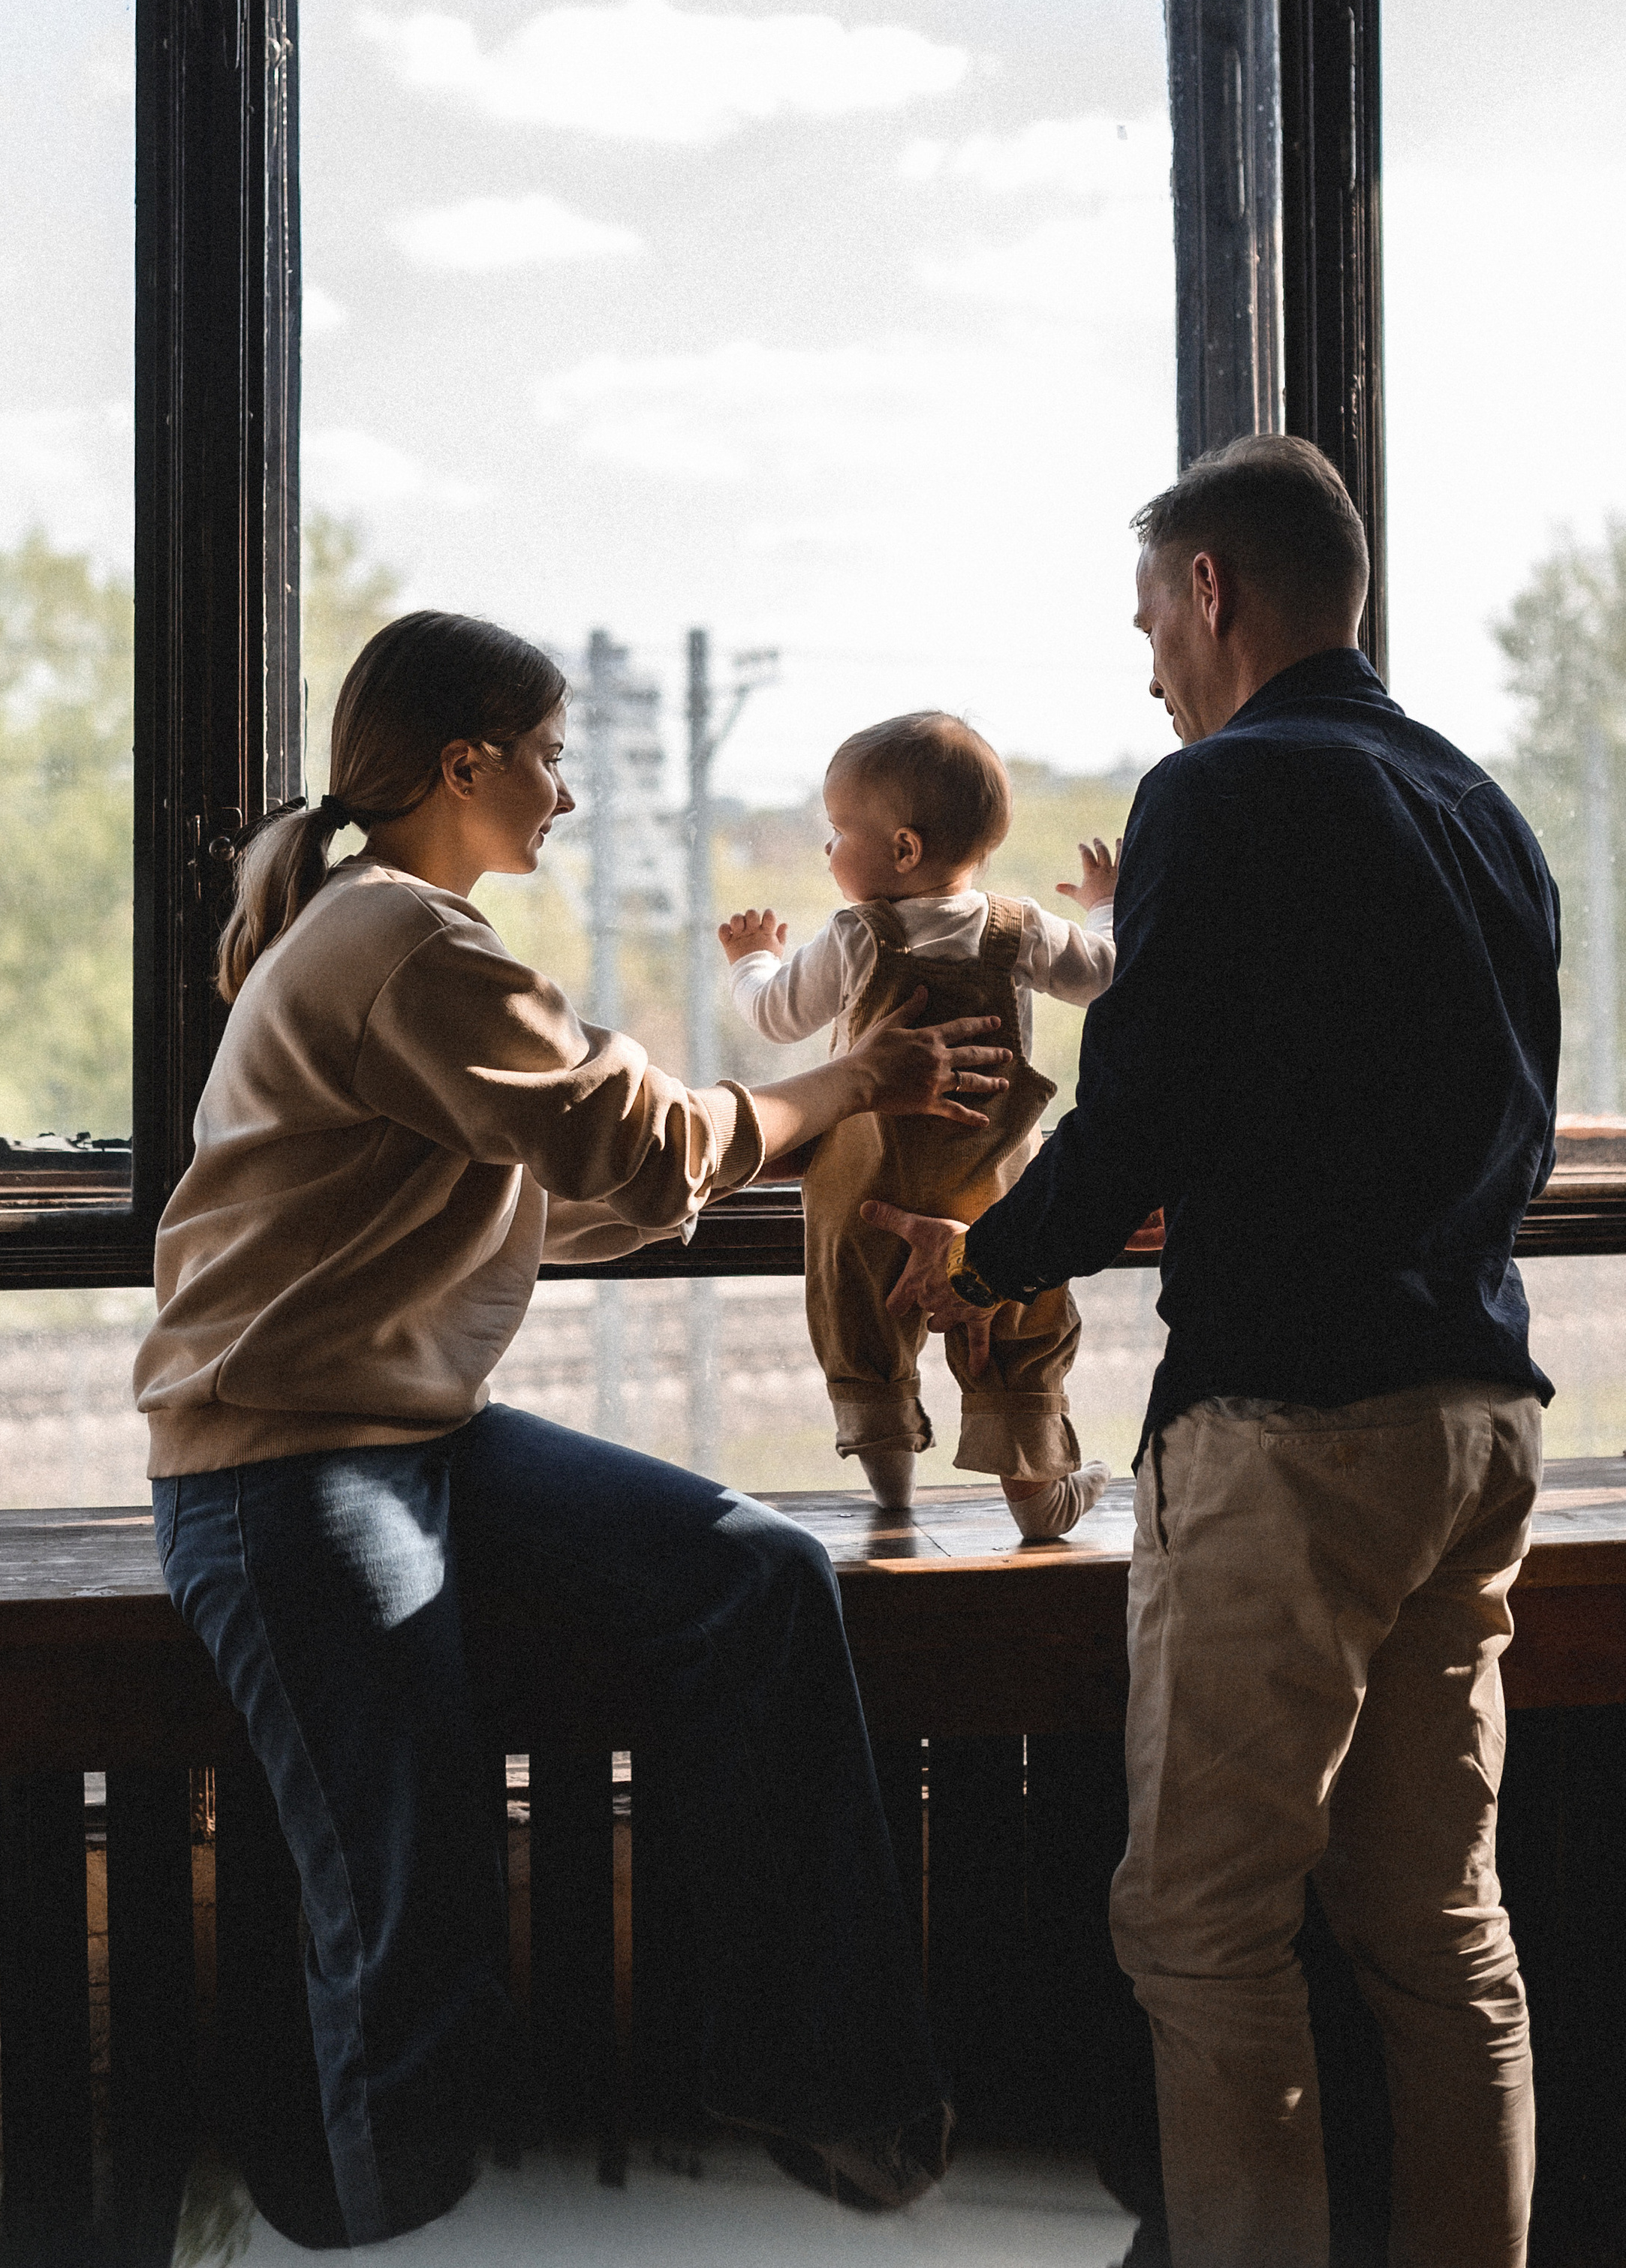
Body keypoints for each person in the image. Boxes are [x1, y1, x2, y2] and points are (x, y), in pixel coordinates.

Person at [134, 609, 1010, 2245]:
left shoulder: (394, 935)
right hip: (281, 1462)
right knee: (414, 1908)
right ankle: (405, 2221)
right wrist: (845, 1083)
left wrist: (719, 1149)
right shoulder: (400, 941)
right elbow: (638, 1140)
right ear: (461, 763)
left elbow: (567, 1192)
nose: (566, 790)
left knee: (759, 1580)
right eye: (548, 756)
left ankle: (812, 2087)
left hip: (417, 1435)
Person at [866, 436, 1558, 2268]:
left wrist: (980, 1255)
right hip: (1476, 1418)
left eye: (1147, 618)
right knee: (1439, 1926)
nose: (1146, 664)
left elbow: (1138, 1106)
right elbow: (1444, 1108)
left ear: (1211, 591)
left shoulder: (1216, 789)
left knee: (1199, 1924)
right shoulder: (1477, 804)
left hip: (1289, 1427)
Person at [719, 708, 1118, 1530]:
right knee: (1017, 1332)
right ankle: (1041, 1497)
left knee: (861, 1325)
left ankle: (892, 1497)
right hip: (989, 1188)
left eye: (836, 831)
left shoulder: (855, 937)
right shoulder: (1022, 931)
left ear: (901, 849)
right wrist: (1109, 906)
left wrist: (751, 958)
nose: (828, 849)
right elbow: (1108, 974)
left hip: (865, 1186)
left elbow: (774, 1016)